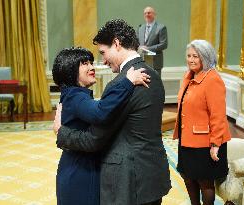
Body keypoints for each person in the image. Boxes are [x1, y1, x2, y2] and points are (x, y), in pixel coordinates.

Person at [53, 19, 171, 205]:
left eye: (103, 53)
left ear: (116, 44)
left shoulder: (121, 83)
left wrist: (62, 132)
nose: (102, 61)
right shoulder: (153, 75)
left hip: (127, 181)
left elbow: (94, 139)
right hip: (153, 175)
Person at [52, 46, 151, 205]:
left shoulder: (74, 95)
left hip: (78, 167)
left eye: (91, 62)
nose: (92, 67)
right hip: (80, 173)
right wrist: (127, 82)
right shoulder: (74, 96)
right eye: (84, 63)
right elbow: (100, 112)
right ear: (70, 68)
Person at [173, 39, 231, 205]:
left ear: (205, 57)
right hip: (187, 138)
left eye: (195, 56)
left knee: (204, 182)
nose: (191, 59)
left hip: (205, 142)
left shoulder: (212, 79)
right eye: (189, 56)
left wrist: (215, 144)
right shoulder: (189, 75)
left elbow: (218, 115)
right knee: (187, 176)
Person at [137, 6, 168, 77]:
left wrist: (148, 48)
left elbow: (164, 44)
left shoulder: (161, 27)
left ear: (154, 14)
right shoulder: (140, 27)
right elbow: (137, 42)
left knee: (155, 84)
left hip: (155, 62)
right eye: (145, 13)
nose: (147, 15)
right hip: (142, 62)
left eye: (149, 13)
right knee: (144, 85)